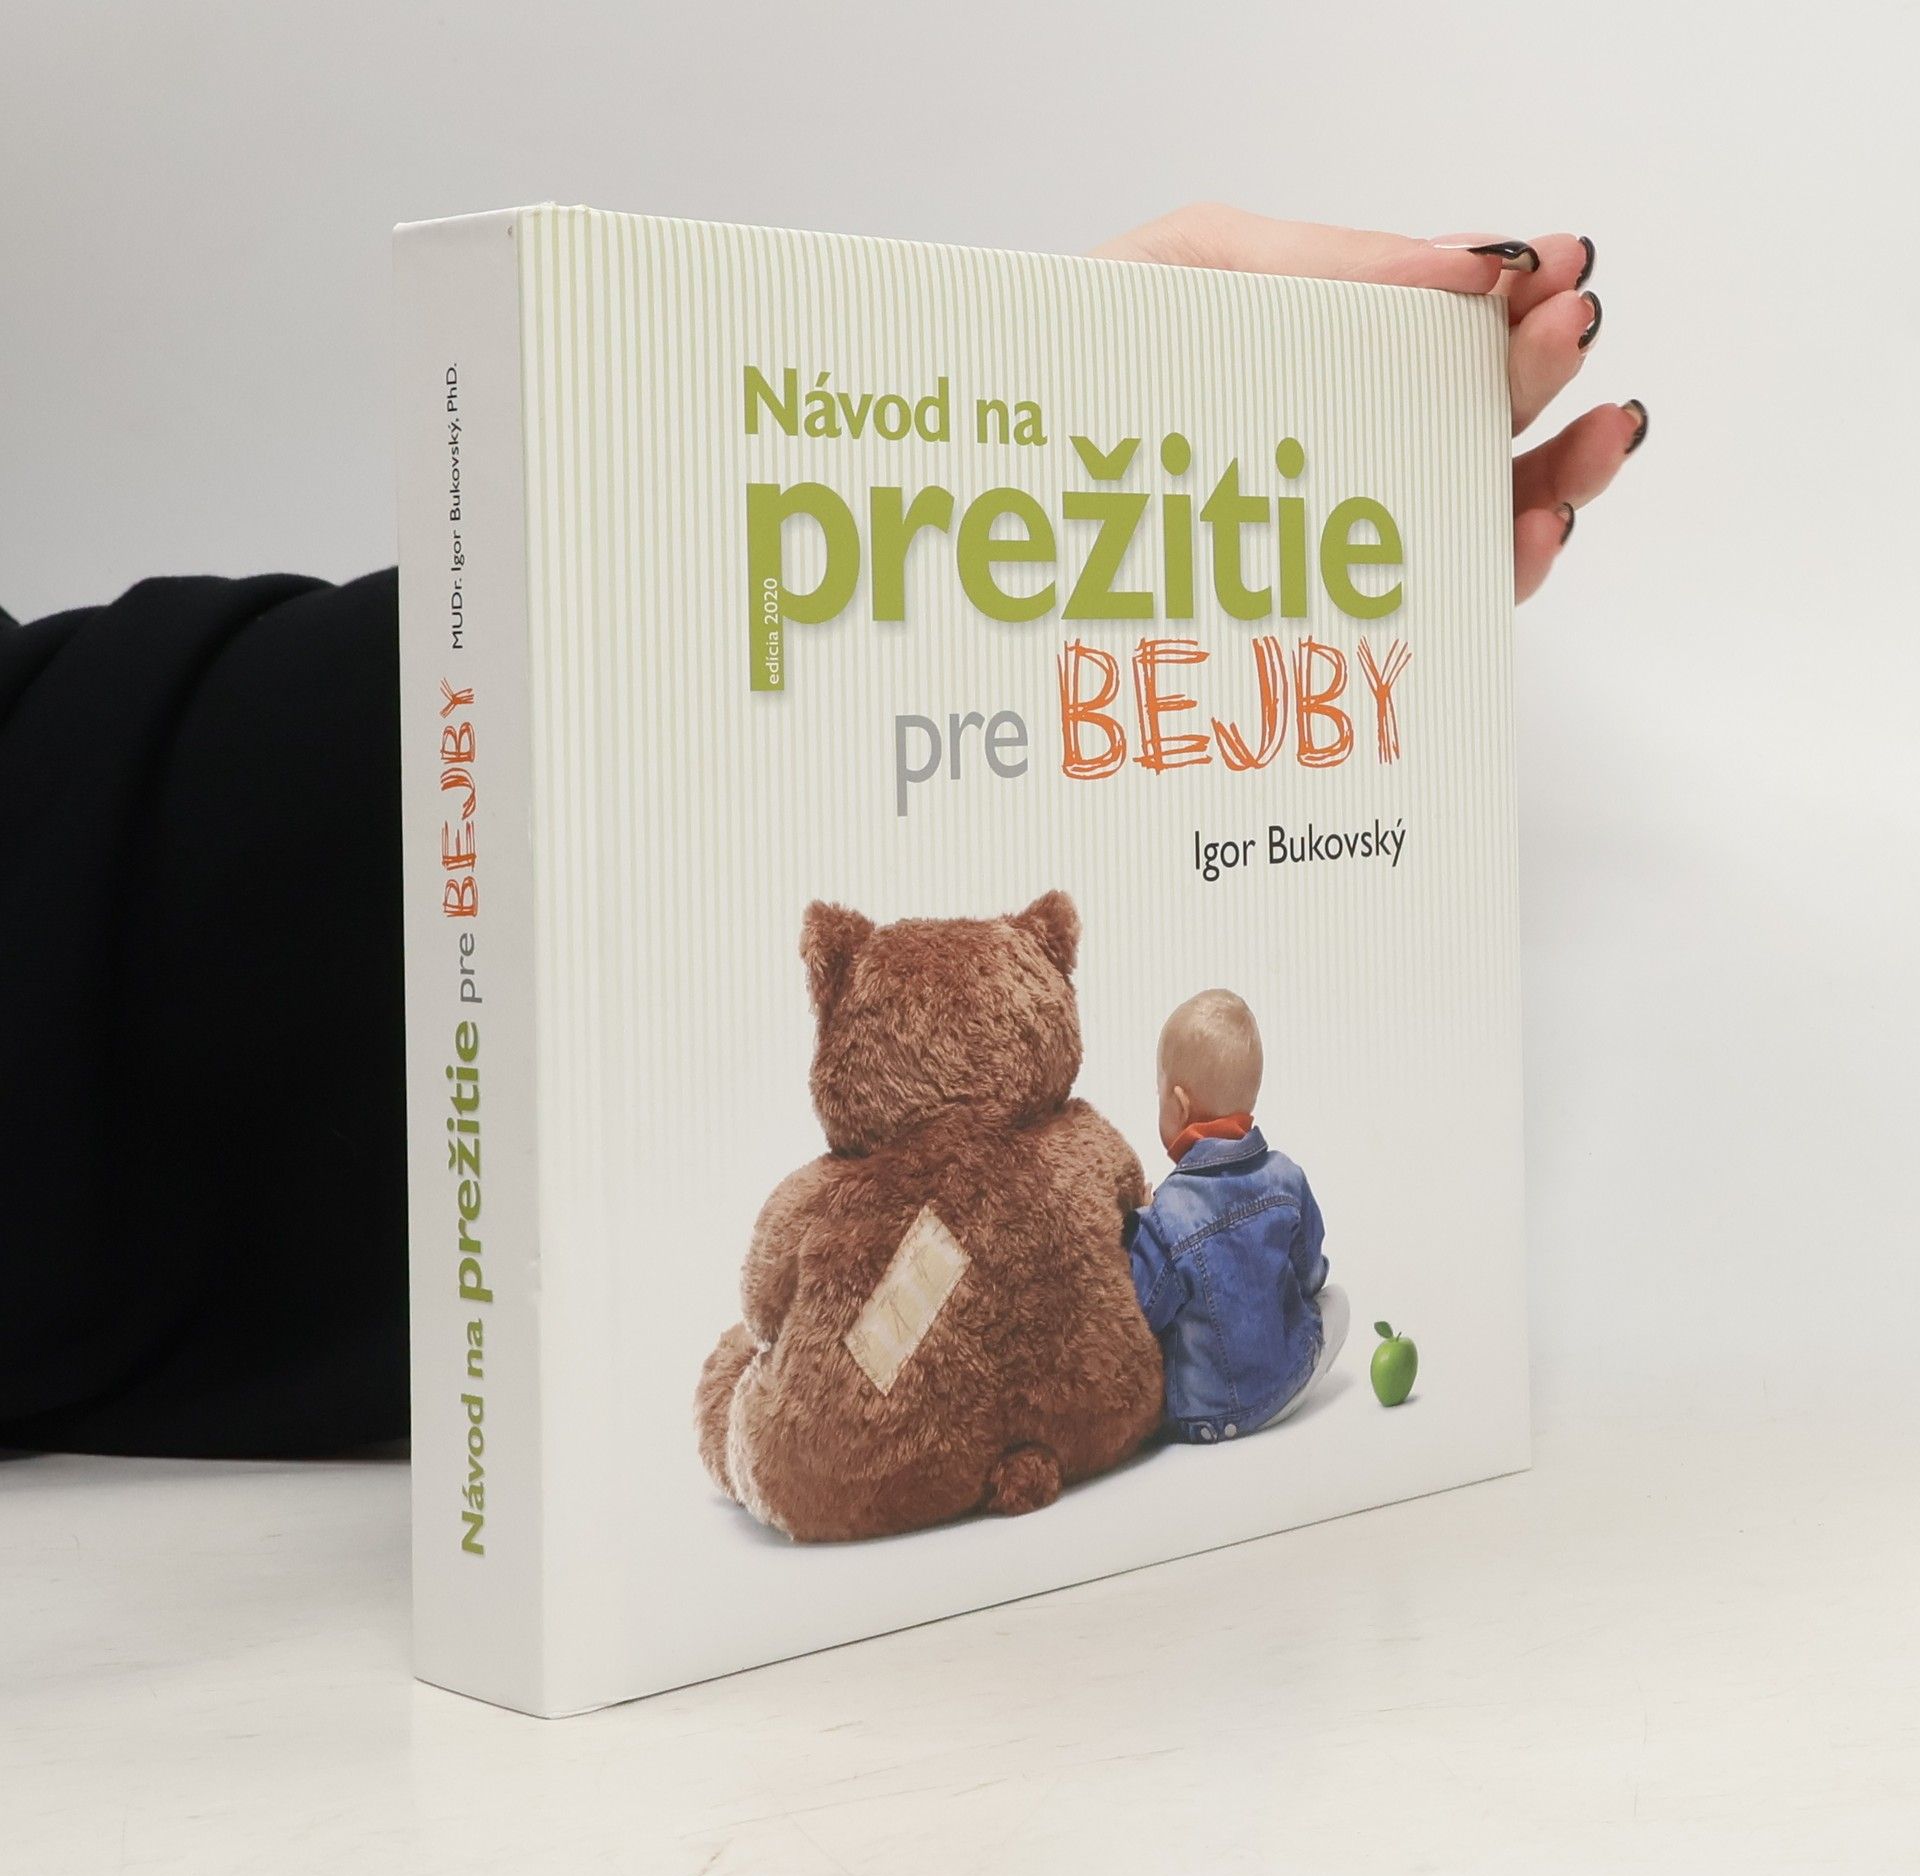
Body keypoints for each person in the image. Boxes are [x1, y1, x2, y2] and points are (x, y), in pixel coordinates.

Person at [0, 209, 1643, 1458]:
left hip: (993, 1417)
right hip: (1140, 1407)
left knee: (847, 1364)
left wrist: (851, 542)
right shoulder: (1125, 1162)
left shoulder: (990, 1177)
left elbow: (806, 1287)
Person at [1126, 990, 1348, 1442]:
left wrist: (1137, 1224)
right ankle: (1284, 1388)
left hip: (1206, 1415)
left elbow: (1143, 1311)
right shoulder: (1286, 1177)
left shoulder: (1167, 1215)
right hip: (1288, 1376)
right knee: (1337, 1302)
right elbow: (1311, 1276)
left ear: (1179, 1105)